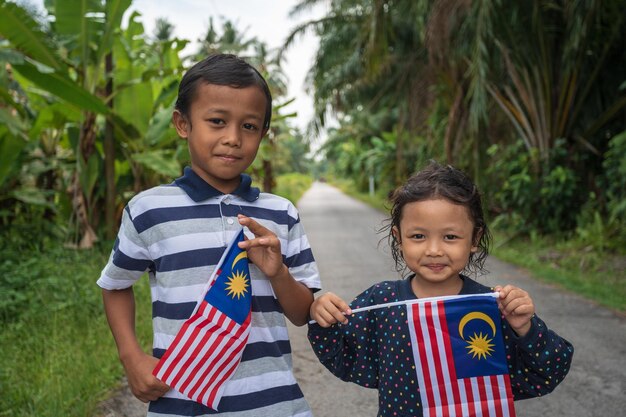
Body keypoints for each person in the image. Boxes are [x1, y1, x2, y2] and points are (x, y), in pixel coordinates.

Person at [98, 53, 321, 416]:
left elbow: (301, 313)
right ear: (182, 123)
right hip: (181, 402)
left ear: (263, 133)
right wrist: (132, 357)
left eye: (249, 127)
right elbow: (115, 284)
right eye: (217, 121)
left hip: (275, 403)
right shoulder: (149, 210)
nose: (233, 138)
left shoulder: (281, 213)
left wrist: (278, 272)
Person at [308, 161, 574, 417]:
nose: (434, 250)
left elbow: (547, 373)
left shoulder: (492, 307)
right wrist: (322, 318)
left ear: (474, 239)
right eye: (418, 236)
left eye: (450, 237)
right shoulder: (383, 301)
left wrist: (525, 327)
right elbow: (344, 358)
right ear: (398, 238)